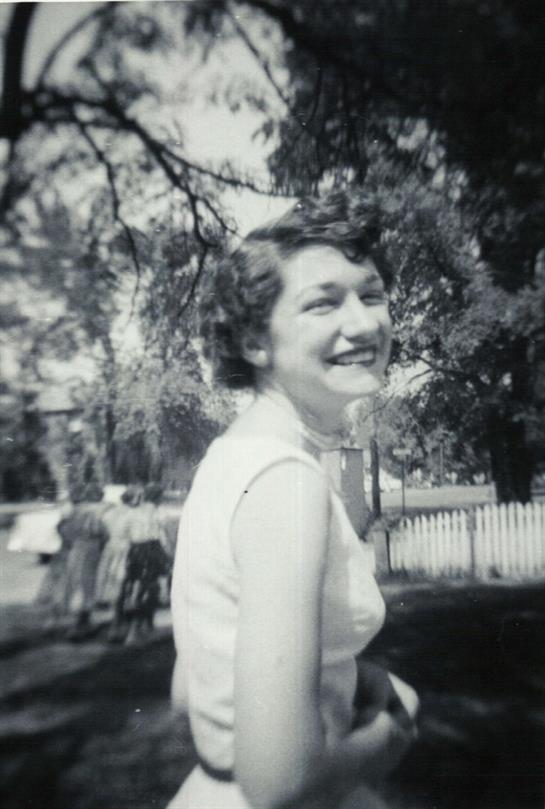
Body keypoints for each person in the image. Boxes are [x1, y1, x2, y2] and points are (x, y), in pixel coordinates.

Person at [168, 190, 419, 809]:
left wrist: (346, 675)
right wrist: (393, 731)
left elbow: (188, 689)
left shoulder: (236, 457)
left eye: (372, 295)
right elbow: (280, 784)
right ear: (256, 341)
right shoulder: (285, 482)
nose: (364, 324)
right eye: (323, 303)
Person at [57, 482, 110, 640]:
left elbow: (61, 528)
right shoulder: (95, 511)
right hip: (91, 548)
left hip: (76, 548)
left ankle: (77, 620)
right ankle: (83, 622)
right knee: (88, 583)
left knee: (75, 581)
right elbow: (104, 533)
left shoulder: (73, 511)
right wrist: (100, 544)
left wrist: (69, 541)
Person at [120, 482, 169, 643]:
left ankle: (136, 625)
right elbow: (163, 537)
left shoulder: (132, 512)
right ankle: (143, 624)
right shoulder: (158, 513)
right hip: (152, 548)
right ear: (158, 497)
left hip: (135, 549)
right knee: (150, 586)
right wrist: (168, 554)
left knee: (135, 585)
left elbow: (125, 533)